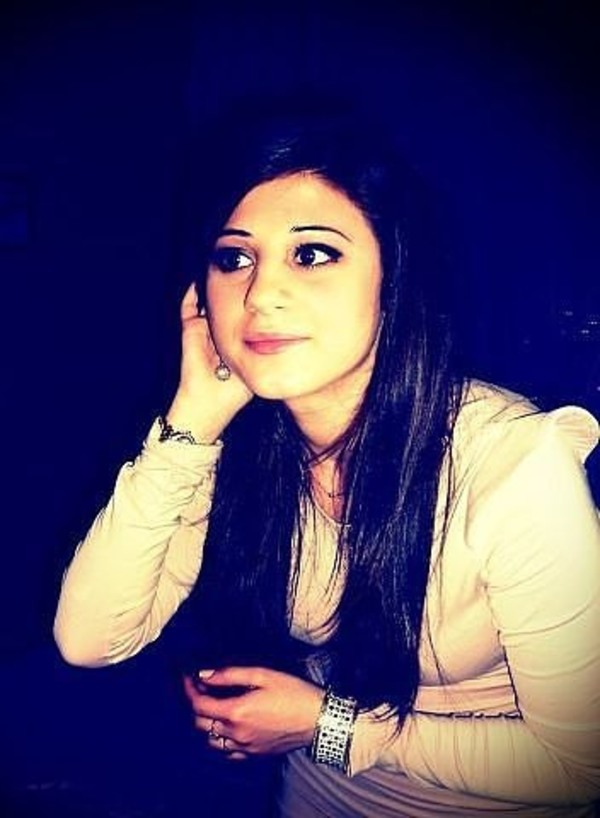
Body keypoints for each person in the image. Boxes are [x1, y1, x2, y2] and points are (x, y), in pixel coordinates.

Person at [54, 90, 600, 817]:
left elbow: (580, 768)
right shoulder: (238, 444)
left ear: (392, 279)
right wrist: (190, 421)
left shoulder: (511, 464)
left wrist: (327, 724)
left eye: (312, 254)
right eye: (234, 258)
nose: (260, 293)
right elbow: (90, 640)